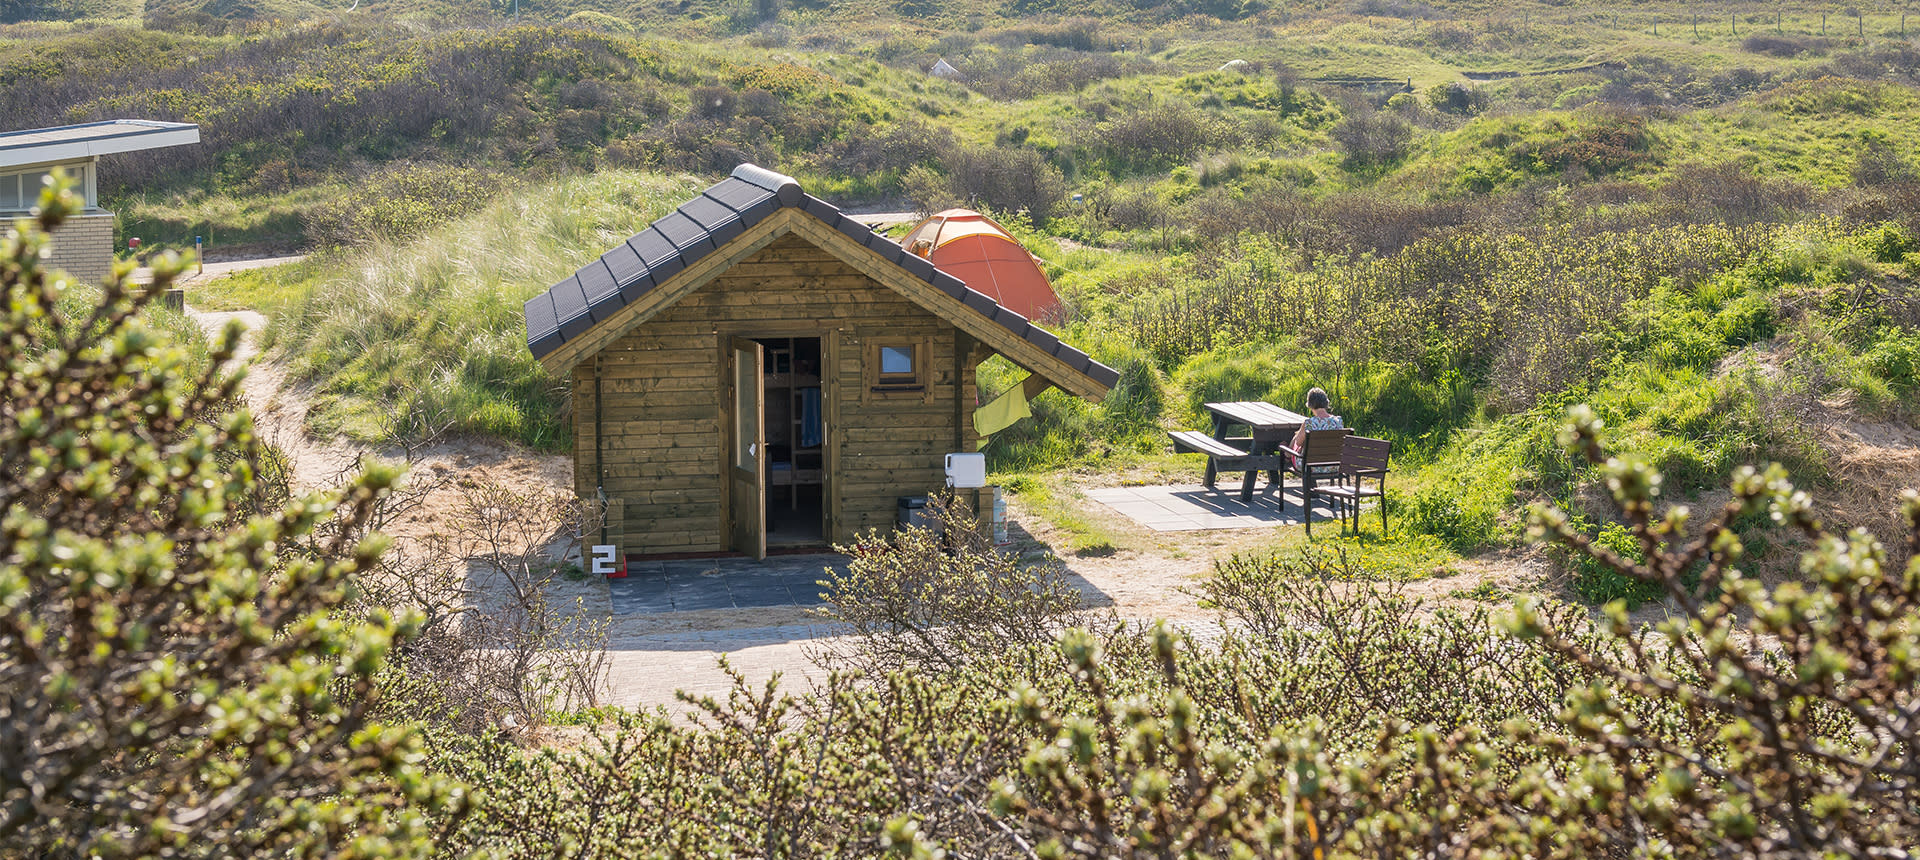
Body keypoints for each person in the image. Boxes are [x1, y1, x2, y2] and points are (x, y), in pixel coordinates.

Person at [1286, 387, 1344, 470]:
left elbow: (1297, 444)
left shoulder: (1309, 423)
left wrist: (1299, 433)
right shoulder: (1338, 421)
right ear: (1326, 402)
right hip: (1334, 466)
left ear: (1310, 404)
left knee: (1295, 441)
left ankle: (1286, 454)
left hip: (1310, 467)